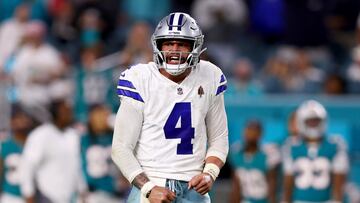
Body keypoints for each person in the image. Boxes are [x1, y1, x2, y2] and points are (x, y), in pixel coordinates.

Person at [111, 12, 229, 203]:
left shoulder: (210, 75)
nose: (174, 50)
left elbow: (219, 138)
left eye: (181, 44)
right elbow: (121, 148)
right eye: (168, 43)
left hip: (194, 188)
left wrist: (210, 173)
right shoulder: (140, 78)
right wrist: (149, 188)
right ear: (158, 45)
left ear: (195, 46)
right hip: (152, 184)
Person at [18, 98, 88, 203]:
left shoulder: (72, 135)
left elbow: (76, 165)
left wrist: (82, 189)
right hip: (46, 196)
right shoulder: (41, 135)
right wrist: (28, 194)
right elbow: (28, 166)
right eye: (65, 111)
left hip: (68, 198)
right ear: (55, 113)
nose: (69, 114)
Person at [282, 100, 349, 203]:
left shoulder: (335, 145)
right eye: (309, 122)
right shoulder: (291, 145)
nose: (313, 125)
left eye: (316, 121)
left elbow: (339, 182)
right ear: (300, 121)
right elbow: (288, 183)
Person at [81, 104, 130, 203]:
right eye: (98, 115)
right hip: (95, 194)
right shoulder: (84, 139)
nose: (103, 118)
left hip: (119, 194)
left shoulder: (116, 136)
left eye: (104, 114)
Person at [229, 120, 279, 203]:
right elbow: (236, 186)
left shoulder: (268, 154)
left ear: (260, 134)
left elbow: (272, 185)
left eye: (254, 130)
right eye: (248, 129)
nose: (250, 133)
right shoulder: (236, 152)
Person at [0, 104, 36, 203]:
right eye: (17, 118)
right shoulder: (5, 145)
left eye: (24, 117)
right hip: (10, 196)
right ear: (11, 121)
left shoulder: (36, 143)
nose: (21, 121)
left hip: (33, 197)